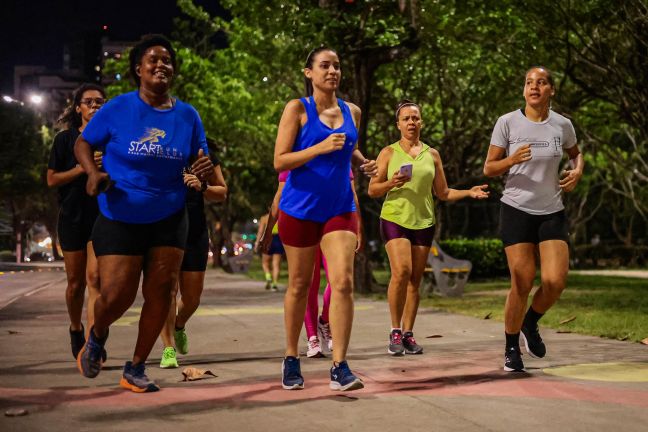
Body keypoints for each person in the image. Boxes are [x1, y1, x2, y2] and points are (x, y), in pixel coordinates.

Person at [74, 34, 214, 392]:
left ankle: (135, 367)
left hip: (169, 215)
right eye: (153, 59)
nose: (161, 65)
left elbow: (200, 157)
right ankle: (97, 334)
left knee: (162, 291)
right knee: (117, 295)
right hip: (120, 212)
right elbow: (84, 142)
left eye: (167, 60)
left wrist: (201, 169)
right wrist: (92, 172)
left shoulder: (188, 115)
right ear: (138, 69)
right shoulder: (118, 108)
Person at [274, 47, 375, 392]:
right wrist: (318, 148)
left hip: (339, 207)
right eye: (325, 65)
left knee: (343, 282)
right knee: (300, 286)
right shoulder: (297, 109)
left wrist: (363, 162)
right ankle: (290, 358)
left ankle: (340, 365)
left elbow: (348, 147)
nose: (332, 71)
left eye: (337, 66)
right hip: (299, 209)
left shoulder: (352, 111)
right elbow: (280, 161)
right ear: (309, 73)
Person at [368, 100, 489, 356]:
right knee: (401, 271)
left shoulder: (432, 155)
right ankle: (394, 331)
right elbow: (372, 189)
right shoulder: (388, 153)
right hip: (394, 218)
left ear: (421, 122)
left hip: (423, 221)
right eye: (406, 119)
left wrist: (469, 191)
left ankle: (409, 333)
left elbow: (443, 193)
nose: (411, 122)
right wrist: (392, 182)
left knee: (415, 279)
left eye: (415, 118)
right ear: (398, 124)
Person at [483, 66, 584, 372]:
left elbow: (575, 153)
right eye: (529, 83)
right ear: (524, 90)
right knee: (522, 281)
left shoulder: (562, 125)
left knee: (554, 282)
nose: (534, 87)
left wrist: (577, 170)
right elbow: (489, 168)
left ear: (551, 90)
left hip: (551, 210)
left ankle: (530, 322)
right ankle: (511, 346)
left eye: (541, 83)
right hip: (516, 209)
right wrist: (511, 159)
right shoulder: (508, 123)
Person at [260, 170, 362, 359]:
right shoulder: (295, 158)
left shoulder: (340, 157)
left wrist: (359, 227)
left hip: (333, 221)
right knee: (307, 283)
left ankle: (324, 321)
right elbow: (279, 195)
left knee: (339, 279)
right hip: (303, 220)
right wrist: (268, 231)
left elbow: (352, 195)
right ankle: (312, 336)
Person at [47, 83, 106, 360]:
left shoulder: (110, 140)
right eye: (90, 102)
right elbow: (51, 179)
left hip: (102, 215)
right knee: (75, 284)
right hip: (72, 216)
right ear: (78, 107)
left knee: (95, 279)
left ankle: (94, 343)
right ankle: (75, 328)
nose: (95, 106)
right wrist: (84, 167)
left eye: (100, 102)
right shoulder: (64, 140)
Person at [159, 154, 227, 368]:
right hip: (164, 226)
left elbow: (222, 192)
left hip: (195, 229)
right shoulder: (158, 147)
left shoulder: (204, 154)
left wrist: (202, 186)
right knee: (167, 290)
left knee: (192, 296)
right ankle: (168, 348)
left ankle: (179, 325)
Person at [254, 211, 283, 292]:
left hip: (268, 239)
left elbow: (260, 231)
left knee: (265, 262)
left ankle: (268, 277)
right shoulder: (280, 217)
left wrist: (257, 243)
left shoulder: (264, 218)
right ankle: (274, 284)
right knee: (276, 264)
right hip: (278, 240)